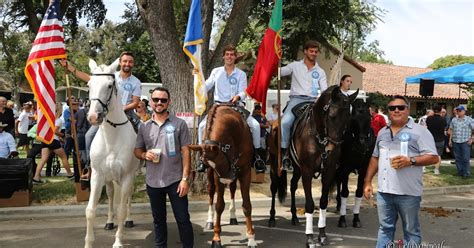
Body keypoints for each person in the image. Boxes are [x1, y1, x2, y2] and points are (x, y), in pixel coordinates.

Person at [363, 95, 438, 248]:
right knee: (385, 229)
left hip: (408, 193)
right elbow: (375, 158)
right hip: (384, 193)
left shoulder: (420, 131)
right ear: (388, 111)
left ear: (407, 110)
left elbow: (433, 157)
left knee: (411, 232)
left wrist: (411, 161)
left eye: (401, 107)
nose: (396, 110)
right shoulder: (383, 132)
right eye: (392, 108)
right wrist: (367, 181)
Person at [134, 87, 193, 248]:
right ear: (151, 102)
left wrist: (185, 179)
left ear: (169, 102)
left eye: (163, 100)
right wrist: (144, 155)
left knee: (182, 219)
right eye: (156, 100)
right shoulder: (144, 127)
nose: (159, 103)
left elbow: (186, 152)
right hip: (153, 182)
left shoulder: (179, 124)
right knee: (158, 221)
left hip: (176, 180)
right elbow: (137, 150)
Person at [61, 51, 142, 167]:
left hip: (127, 112)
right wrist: (70, 68)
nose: (127, 64)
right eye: (125, 61)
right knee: (88, 136)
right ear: (120, 62)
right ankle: (89, 166)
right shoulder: (110, 75)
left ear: (133, 64)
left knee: (144, 133)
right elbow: (89, 78)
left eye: (130, 62)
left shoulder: (136, 82)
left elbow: (135, 102)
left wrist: (122, 108)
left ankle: (142, 162)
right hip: (107, 113)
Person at [196, 44, 265, 173]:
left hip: (236, 106)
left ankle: (257, 156)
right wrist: (197, 81)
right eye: (227, 54)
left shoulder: (241, 74)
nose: (229, 57)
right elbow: (206, 86)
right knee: (201, 126)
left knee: (255, 126)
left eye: (232, 54)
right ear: (223, 56)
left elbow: (244, 91)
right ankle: (202, 157)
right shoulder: (216, 71)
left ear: (235, 57)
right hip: (219, 106)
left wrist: (238, 96)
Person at [279, 40, 328, 161]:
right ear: (305, 51)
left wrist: (320, 100)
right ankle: (285, 153)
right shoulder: (295, 65)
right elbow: (279, 72)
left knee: (329, 122)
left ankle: (327, 152)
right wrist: (275, 59)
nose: (314, 53)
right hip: (297, 99)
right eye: (311, 51)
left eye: (316, 52)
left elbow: (325, 91)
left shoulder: (320, 71)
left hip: (314, 101)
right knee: (285, 122)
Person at [32, 103, 74, 183]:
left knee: (43, 159)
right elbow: (55, 131)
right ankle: (69, 174)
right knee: (64, 157)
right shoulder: (58, 120)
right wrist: (63, 135)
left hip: (45, 140)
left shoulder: (48, 119)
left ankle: (36, 177)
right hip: (53, 141)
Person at [448, 105, 474, 178]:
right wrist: (450, 140)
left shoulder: (469, 120)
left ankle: (466, 173)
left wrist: (472, 139)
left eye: (460, 110)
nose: (458, 112)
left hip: (465, 141)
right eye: (457, 110)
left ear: (464, 111)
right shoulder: (454, 120)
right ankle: (460, 172)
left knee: (465, 158)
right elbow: (451, 130)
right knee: (457, 158)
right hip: (455, 141)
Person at [426, 105, 447, 175]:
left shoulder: (429, 118)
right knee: (438, 155)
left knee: (427, 154)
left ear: (433, 110)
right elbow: (444, 127)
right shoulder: (443, 119)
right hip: (440, 139)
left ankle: (423, 168)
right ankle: (436, 170)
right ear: (441, 111)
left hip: (430, 139)